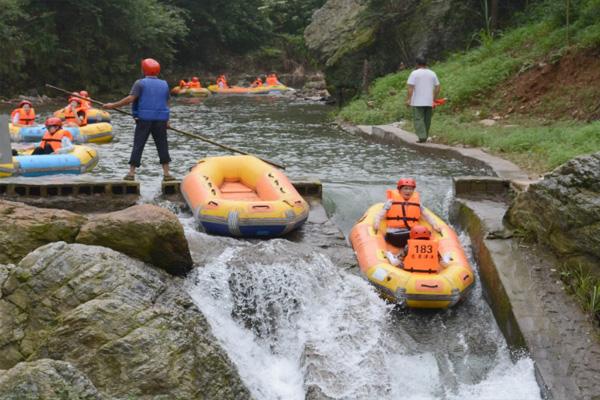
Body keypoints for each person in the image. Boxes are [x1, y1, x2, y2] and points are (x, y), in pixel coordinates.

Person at [104, 58, 174, 182]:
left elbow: (130, 99)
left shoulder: (140, 83)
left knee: (138, 145)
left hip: (144, 120)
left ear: (144, 70)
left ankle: (131, 173)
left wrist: (112, 106)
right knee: (162, 145)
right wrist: (167, 120)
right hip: (160, 120)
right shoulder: (164, 84)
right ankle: (167, 174)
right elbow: (167, 102)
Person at [373, 178, 441, 248]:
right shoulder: (390, 202)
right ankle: (403, 253)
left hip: (411, 232)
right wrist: (376, 223)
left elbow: (427, 216)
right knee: (414, 238)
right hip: (394, 234)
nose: (408, 191)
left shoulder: (418, 203)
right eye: (405, 188)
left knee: (425, 235)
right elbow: (379, 215)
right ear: (399, 190)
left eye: (411, 189)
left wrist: (434, 224)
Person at [406, 56, 440, 143]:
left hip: (417, 101)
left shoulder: (414, 73)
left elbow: (410, 88)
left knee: (418, 119)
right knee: (427, 119)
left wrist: (409, 99)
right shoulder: (432, 73)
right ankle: (424, 136)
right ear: (426, 64)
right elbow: (438, 87)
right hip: (429, 101)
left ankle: (422, 137)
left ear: (417, 64)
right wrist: (434, 99)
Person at [385, 225, 451, 270]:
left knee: (400, 261)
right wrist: (447, 256)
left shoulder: (408, 247)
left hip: (411, 271)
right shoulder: (433, 247)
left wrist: (389, 255)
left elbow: (395, 263)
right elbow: (444, 264)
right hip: (429, 271)